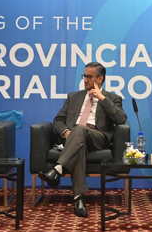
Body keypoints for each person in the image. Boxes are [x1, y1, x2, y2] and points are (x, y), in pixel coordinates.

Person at [38, 62, 128, 217]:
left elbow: (121, 119)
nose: (85, 80)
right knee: (79, 144)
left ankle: (57, 169)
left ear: (100, 79)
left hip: (98, 137)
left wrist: (102, 98)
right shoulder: (74, 97)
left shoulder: (113, 98)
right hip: (75, 139)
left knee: (79, 129)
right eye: (84, 76)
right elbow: (58, 120)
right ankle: (79, 198)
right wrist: (66, 132)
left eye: (89, 77)